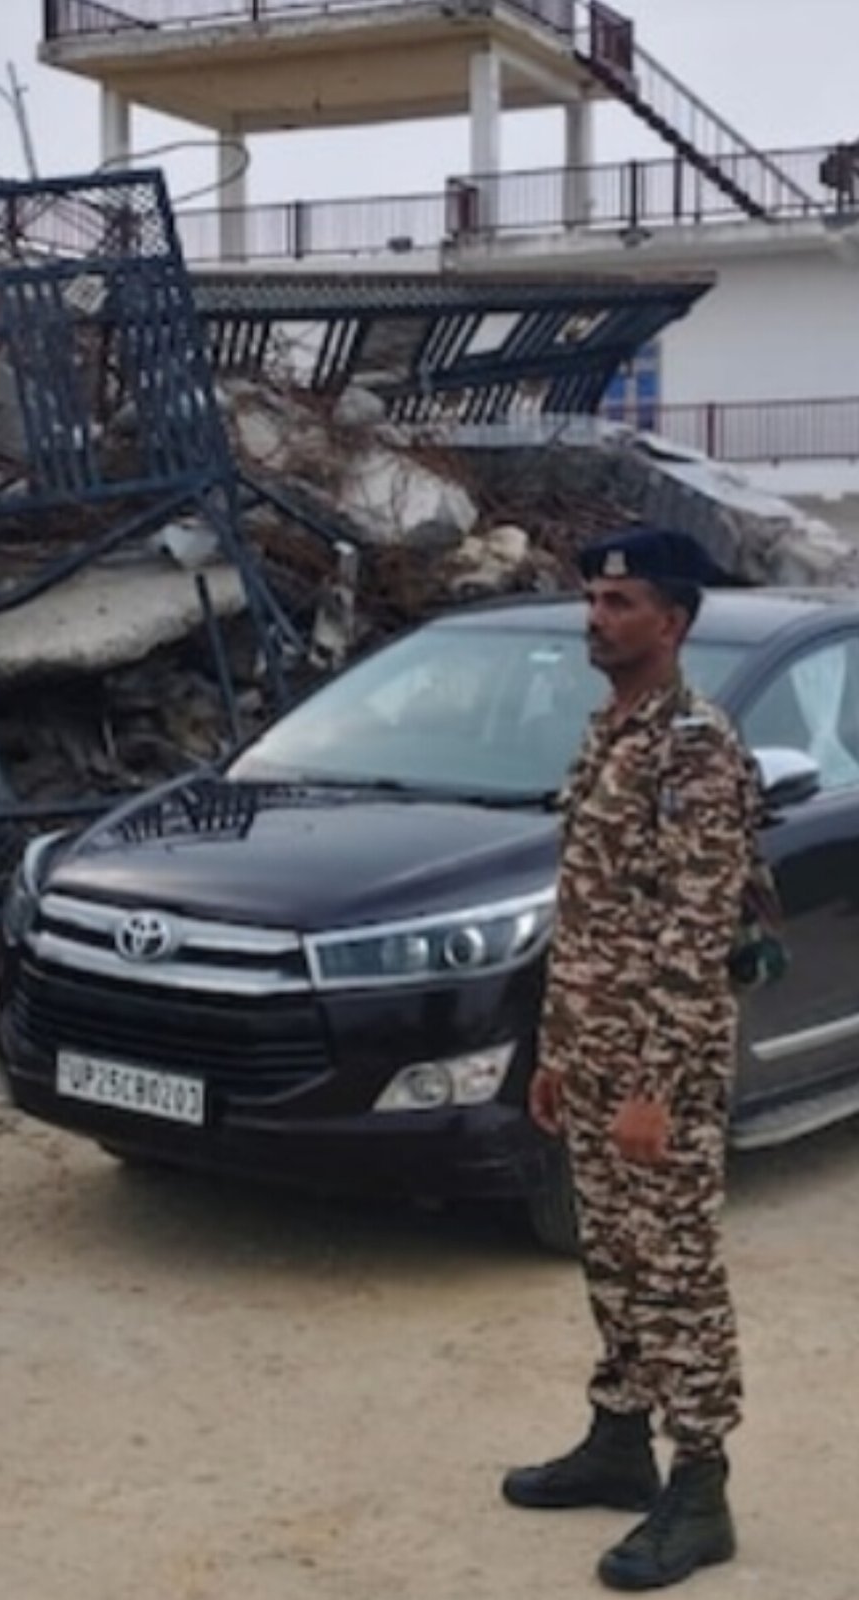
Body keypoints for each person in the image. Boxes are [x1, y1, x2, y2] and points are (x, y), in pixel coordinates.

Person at [503, 528, 761, 1592]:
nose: (596, 619)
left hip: (664, 1066)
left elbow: (693, 939)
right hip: (597, 1052)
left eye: (620, 604)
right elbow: (589, 916)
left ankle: (699, 1487)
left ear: (674, 622)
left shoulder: (693, 749)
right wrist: (557, 1051)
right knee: (611, 1255)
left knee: (675, 1269)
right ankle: (619, 1439)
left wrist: (654, 1087)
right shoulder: (609, 735)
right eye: (592, 600)